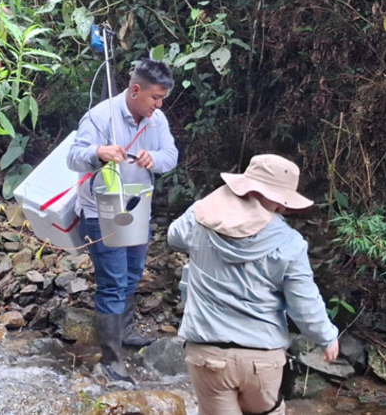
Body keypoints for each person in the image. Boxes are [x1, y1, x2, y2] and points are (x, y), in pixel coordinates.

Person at [168, 154, 340, 415]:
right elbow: (303, 303)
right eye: (283, 201)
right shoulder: (290, 242)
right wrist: (326, 337)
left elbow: (174, 236)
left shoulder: (200, 216)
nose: (283, 208)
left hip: (207, 354)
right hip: (262, 359)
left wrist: (209, 203)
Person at [67, 58, 179, 383]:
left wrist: (153, 158)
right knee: (113, 283)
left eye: (162, 100)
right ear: (135, 90)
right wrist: (99, 151)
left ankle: (126, 333)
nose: (158, 106)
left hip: (137, 206)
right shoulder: (101, 116)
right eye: (154, 98)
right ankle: (112, 361)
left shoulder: (156, 121)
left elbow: (171, 156)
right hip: (100, 210)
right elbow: (73, 157)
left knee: (132, 274)